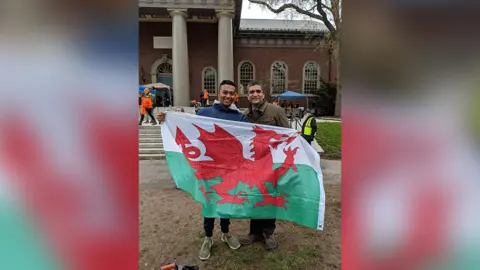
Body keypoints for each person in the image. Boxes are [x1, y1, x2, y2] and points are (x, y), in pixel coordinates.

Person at [158, 80, 248, 261]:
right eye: (225, 92)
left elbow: (254, 136)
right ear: (218, 93)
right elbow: (187, 126)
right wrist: (166, 118)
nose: (228, 96)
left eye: (232, 93)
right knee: (209, 204)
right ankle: (208, 238)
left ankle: (225, 232)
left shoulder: (240, 118)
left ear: (235, 96)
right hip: (208, 169)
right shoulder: (205, 112)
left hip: (229, 170)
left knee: (226, 203)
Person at [239, 79, 289, 251]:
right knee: (254, 197)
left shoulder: (276, 111)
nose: (255, 94)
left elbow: (287, 135)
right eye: (251, 92)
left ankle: (268, 233)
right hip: (253, 165)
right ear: (247, 95)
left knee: (269, 198)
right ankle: (254, 232)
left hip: (272, 165)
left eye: (258, 91)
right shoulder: (245, 115)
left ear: (263, 94)